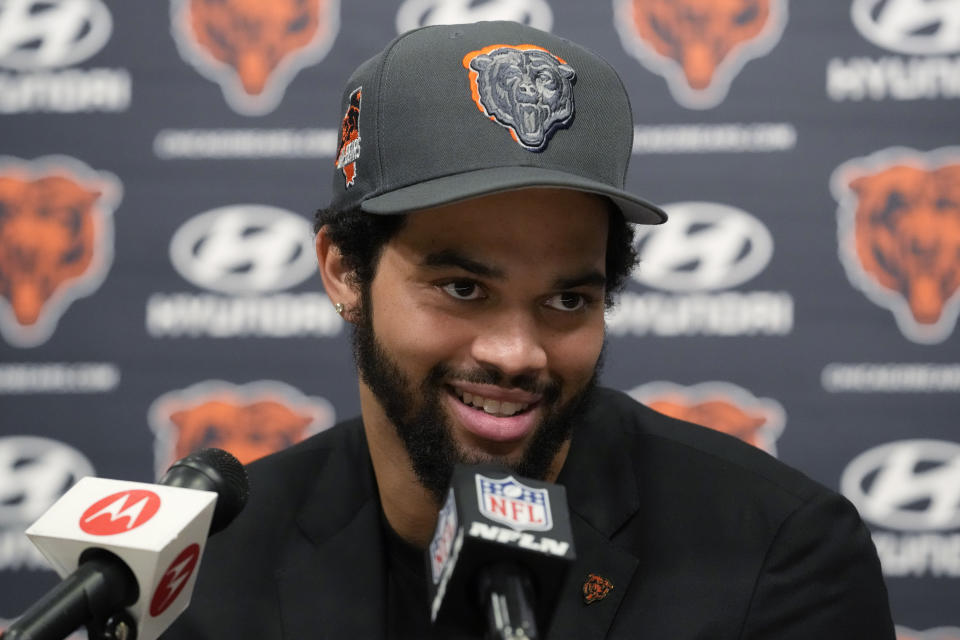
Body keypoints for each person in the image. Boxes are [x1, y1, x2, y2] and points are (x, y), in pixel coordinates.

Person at [164, 21, 895, 639]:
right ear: (344, 273)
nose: (517, 354)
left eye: (568, 301)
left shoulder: (778, 554)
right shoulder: (216, 566)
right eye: (463, 288)